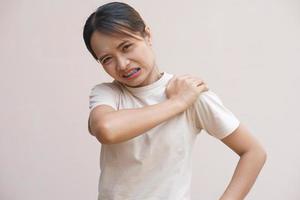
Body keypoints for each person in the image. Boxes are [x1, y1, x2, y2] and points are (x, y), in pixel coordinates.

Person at [83, 2, 267, 200]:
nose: (122, 64)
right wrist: (176, 104)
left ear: (147, 35)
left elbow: (254, 152)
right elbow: (106, 129)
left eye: (126, 46)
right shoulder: (108, 94)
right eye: (107, 59)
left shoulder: (192, 95)